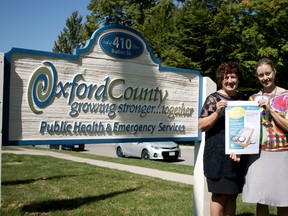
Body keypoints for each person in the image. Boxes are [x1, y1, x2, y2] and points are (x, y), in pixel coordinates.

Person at [198, 62, 246, 216]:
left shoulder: (243, 100)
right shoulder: (213, 99)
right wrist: (217, 112)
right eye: (226, 77)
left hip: (236, 156)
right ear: (220, 79)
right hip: (216, 156)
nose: (230, 80)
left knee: (232, 195)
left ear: (238, 80)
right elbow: (201, 125)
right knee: (218, 196)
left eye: (233, 77)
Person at [242, 58, 288, 215]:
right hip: (259, 154)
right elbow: (246, 129)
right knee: (261, 198)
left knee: (284, 198)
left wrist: (271, 109)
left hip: (282, 153)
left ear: (274, 72)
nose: (265, 78)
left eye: (268, 73)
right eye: (261, 75)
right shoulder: (252, 99)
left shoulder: (286, 96)